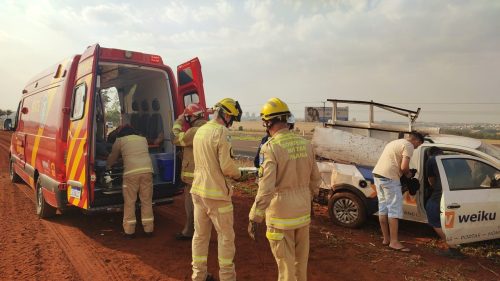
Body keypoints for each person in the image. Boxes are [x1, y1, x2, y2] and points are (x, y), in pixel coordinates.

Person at [248, 98, 321, 281]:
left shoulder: (270, 148)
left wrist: (255, 216)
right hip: (302, 214)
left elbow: (266, 188)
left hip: (281, 217)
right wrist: (309, 200)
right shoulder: (306, 144)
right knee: (300, 265)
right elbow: (315, 180)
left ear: (268, 122)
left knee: (285, 268)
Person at [191, 98, 243, 281]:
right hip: (217, 194)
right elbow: (227, 166)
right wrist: (239, 175)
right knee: (226, 237)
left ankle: (198, 275)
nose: (232, 123)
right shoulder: (222, 132)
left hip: (198, 190)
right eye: (232, 119)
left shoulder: (201, 130)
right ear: (227, 114)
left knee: (200, 236)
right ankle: (227, 277)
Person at [372, 131, 424, 252]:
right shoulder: (409, 145)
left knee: (383, 208)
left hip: (378, 176)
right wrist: (409, 174)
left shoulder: (395, 142)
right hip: (390, 178)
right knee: (394, 210)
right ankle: (394, 242)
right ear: (416, 141)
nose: (417, 148)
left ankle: (386, 239)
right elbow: (404, 167)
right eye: (419, 145)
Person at [106, 125, 154, 239]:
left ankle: (129, 231)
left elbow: (113, 157)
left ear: (121, 133)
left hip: (131, 174)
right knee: (146, 201)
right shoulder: (142, 139)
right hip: (147, 171)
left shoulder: (120, 140)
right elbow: (137, 154)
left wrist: (108, 166)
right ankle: (149, 229)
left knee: (130, 202)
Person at [172, 103, 207, 240]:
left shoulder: (194, 131)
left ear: (190, 118)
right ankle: (198, 231)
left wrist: (179, 121)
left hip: (193, 179)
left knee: (193, 205)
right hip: (206, 176)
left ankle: (190, 232)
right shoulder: (211, 129)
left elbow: (175, 137)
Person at [425, 147, 465, 259]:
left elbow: (431, 179)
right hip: (459, 191)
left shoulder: (432, 159)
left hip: (442, 193)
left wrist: (435, 188)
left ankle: (453, 247)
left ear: (430, 154)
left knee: (433, 214)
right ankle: (455, 241)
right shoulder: (456, 159)